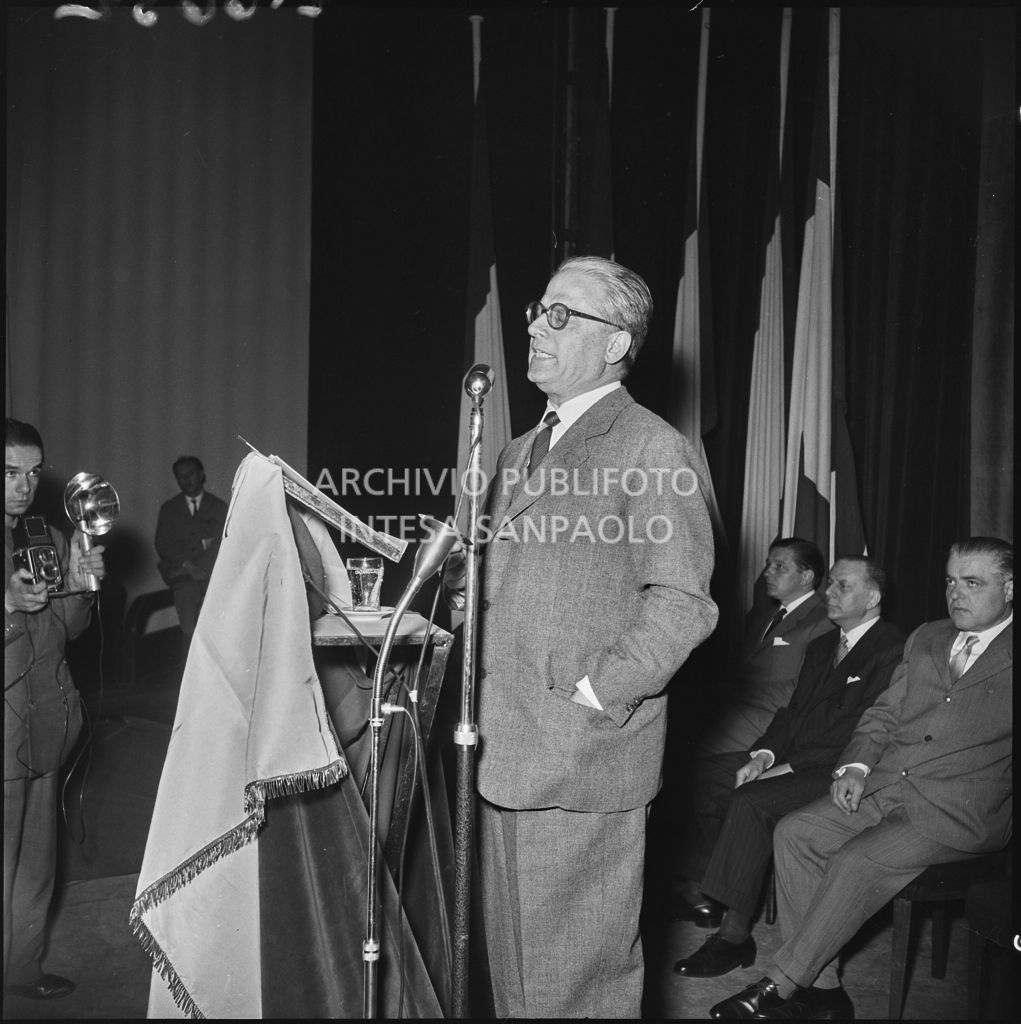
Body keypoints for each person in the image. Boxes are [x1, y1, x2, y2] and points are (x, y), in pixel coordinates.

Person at [452, 256, 718, 1017]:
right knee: (517, 979)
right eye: (538, 310)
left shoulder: (650, 447)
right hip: (500, 748)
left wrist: (596, 693)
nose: (536, 325)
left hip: (577, 755)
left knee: (574, 987)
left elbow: (682, 602)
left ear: (615, 343)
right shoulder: (515, 451)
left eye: (561, 314)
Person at [710, 537, 1012, 1020]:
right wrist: (856, 766)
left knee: (856, 859)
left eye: (973, 583)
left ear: (1010, 587)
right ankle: (825, 992)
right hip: (887, 785)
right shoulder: (928, 637)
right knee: (795, 832)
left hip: (957, 810)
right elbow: (883, 714)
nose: (956, 594)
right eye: (951, 581)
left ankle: (781, 983)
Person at [672, 556, 904, 975]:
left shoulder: (893, 649)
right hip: (794, 758)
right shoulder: (822, 646)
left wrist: (789, 767)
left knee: (752, 800)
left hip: (840, 769)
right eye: (830, 584)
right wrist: (763, 755)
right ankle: (709, 891)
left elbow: (859, 729)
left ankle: (734, 937)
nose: (829, 593)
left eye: (843, 586)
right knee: (704, 777)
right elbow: (791, 714)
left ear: (872, 597)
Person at [4, 418, 107, 1000]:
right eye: (9, 472)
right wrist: (7, 602)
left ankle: (22, 969)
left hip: (46, 716)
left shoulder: (42, 533)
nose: (24, 486)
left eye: (33, 472)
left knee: (37, 859)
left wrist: (81, 584)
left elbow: (67, 628)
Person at [700, 538, 833, 757]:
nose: (767, 573)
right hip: (739, 711)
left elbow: (804, 689)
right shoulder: (763, 617)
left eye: (779, 567)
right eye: (768, 565)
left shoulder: (823, 621)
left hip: (775, 723)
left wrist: (733, 699)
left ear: (806, 577)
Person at [154, 456, 228, 637]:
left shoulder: (219, 507)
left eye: (191, 474)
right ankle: (190, 644)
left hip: (211, 572)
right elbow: (163, 544)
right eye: (181, 476)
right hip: (181, 573)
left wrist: (201, 568)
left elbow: (224, 542)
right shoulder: (169, 508)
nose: (186, 479)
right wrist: (188, 566)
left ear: (201, 475)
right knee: (186, 595)